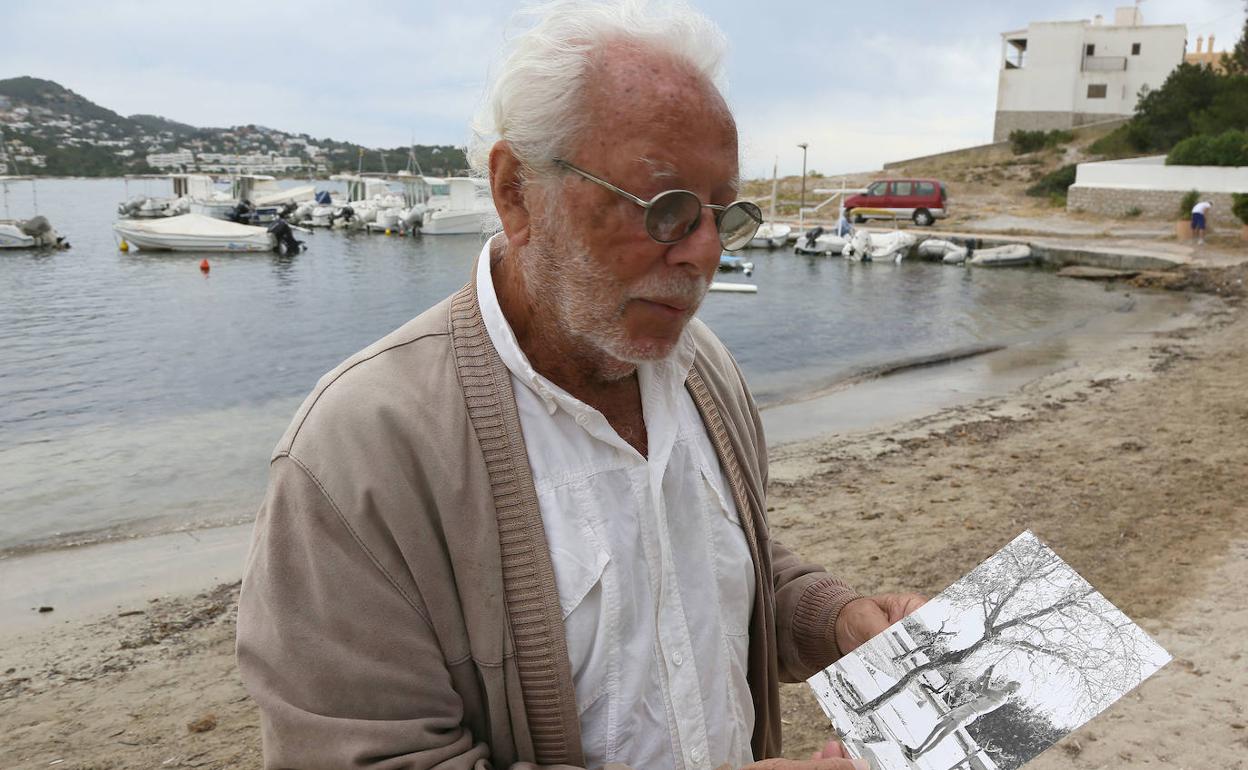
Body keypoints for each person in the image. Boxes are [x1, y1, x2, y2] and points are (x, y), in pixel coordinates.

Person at [236, 2, 924, 769]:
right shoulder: (357, 449)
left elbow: (713, 571)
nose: (704, 254)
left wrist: (840, 624)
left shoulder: (706, 373)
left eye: (722, 216)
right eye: (664, 208)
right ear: (517, 192)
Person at [902, 666, 1022, 761]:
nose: (1008, 683)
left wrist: (989, 675)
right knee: (937, 727)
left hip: (970, 713)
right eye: (1009, 682)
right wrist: (984, 676)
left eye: (1010, 684)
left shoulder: (1002, 696)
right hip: (966, 707)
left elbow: (985, 690)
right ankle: (917, 750)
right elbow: (978, 689)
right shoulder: (999, 691)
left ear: (1011, 690)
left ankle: (918, 756)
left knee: (942, 735)